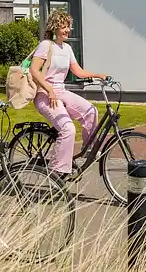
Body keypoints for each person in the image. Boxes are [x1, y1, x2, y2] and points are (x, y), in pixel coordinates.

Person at [29, 10, 109, 179]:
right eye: (63, 26)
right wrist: (49, 89)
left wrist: (98, 75)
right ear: (55, 27)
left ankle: (89, 148)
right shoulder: (46, 45)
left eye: (68, 27)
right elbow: (34, 71)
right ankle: (57, 172)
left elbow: (78, 71)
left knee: (91, 111)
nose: (67, 30)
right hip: (45, 95)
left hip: (61, 92)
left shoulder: (67, 48)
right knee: (68, 129)